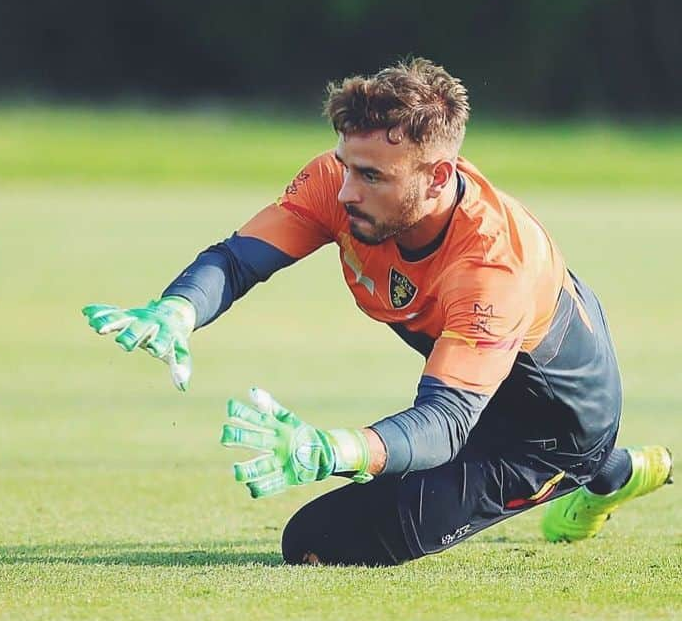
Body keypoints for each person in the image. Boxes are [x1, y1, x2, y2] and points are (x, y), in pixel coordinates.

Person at [82, 58, 672, 566]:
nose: (344, 191)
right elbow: (238, 259)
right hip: (484, 373)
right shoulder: (341, 183)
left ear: (440, 176)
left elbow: (444, 422)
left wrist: (334, 450)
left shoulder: (492, 270)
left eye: (370, 176)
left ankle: (595, 469)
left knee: (314, 542)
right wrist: (178, 310)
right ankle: (618, 471)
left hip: (549, 429)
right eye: (345, 164)